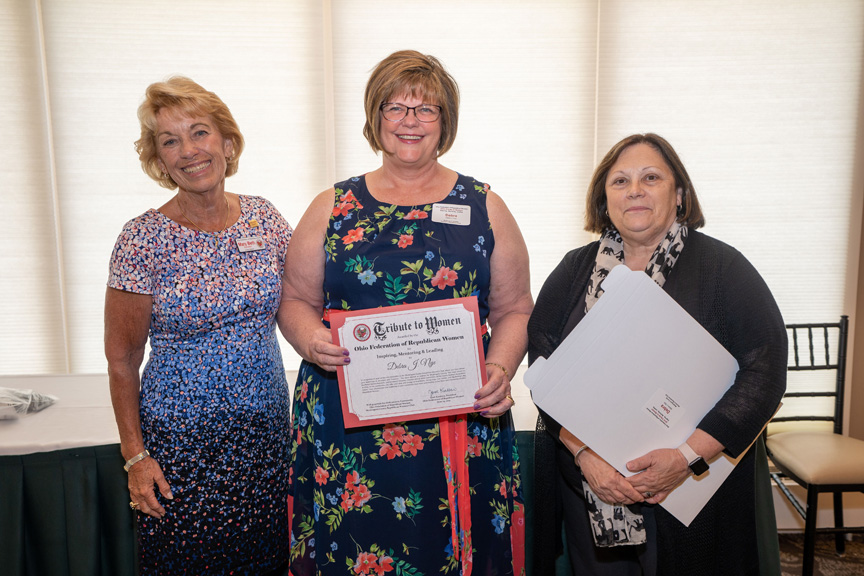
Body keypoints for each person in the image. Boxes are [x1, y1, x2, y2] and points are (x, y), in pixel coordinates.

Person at [278, 50, 533, 575]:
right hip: (348, 424)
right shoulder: (332, 205)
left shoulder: (485, 205)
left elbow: (514, 309)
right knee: (354, 550)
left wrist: (500, 368)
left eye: (426, 109)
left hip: (459, 417)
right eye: (395, 107)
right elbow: (294, 301)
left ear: (446, 121)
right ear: (375, 118)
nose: (410, 121)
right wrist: (310, 341)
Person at [528, 133, 787, 575]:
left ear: (679, 194)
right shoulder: (574, 270)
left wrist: (686, 456)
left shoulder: (723, 268)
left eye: (651, 177)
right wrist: (586, 456)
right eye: (620, 181)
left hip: (694, 495)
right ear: (603, 198)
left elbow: (765, 371)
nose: (635, 190)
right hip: (593, 491)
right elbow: (542, 369)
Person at [104, 76, 293, 575]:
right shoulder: (141, 239)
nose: (188, 150)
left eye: (199, 132)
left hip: (267, 440)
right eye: (170, 140)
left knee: (266, 563)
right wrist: (135, 458)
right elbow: (121, 358)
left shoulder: (264, 219)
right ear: (159, 160)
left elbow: (307, 302)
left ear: (227, 144)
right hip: (182, 450)